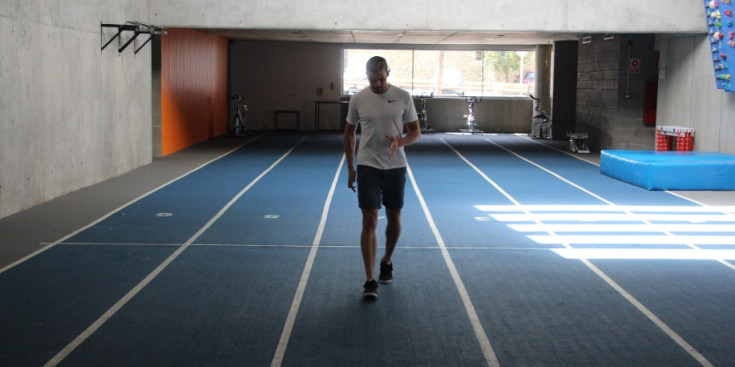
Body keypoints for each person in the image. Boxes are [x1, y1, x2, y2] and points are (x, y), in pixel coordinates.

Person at [343, 56, 421, 299]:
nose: (377, 84)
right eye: (372, 80)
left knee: (394, 217)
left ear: (388, 72)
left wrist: (400, 141)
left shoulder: (403, 96)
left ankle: (386, 259)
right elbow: (349, 133)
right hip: (368, 165)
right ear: (366, 76)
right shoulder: (358, 99)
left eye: (381, 79)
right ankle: (369, 280)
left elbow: (415, 132)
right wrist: (350, 167)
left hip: (396, 167)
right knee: (369, 220)